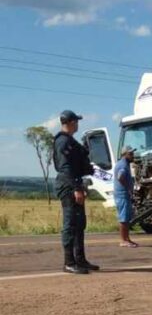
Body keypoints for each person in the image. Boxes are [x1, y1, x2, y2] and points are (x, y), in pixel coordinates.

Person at [53, 109, 99, 275]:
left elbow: (79, 162)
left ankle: (80, 259)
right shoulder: (62, 142)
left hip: (75, 183)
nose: (78, 124)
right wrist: (76, 188)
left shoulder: (70, 141)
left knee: (79, 224)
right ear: (71, 122)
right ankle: (69, 262)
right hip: (68, 186)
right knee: (70, 224)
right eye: (76, 121)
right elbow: (66, 168)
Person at [114, 148, 138, 247]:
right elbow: (120, 177)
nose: (133, 155)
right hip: (122, 194)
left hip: (124, 194)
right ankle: (123, 240)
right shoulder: (123, 165)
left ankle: (127, 239)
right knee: (123, 218)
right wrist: (128, 188)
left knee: (126, 218)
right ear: (125, 154)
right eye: (131, 154)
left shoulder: (124, 164)